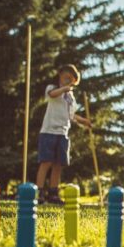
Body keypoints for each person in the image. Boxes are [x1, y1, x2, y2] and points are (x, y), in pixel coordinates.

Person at [35, 64, 92, 204]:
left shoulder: (71, 97)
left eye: (72, 79)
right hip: (49, 130)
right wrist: (63, 89)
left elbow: (72, 116)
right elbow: (52, 95)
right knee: (46, 162)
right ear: (60, 75)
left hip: (63, 132)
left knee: (58, 164)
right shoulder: (52, 88)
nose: (68, 81)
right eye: (66, 77)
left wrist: (84, 121)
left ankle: (53, 193)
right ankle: (39, 192)